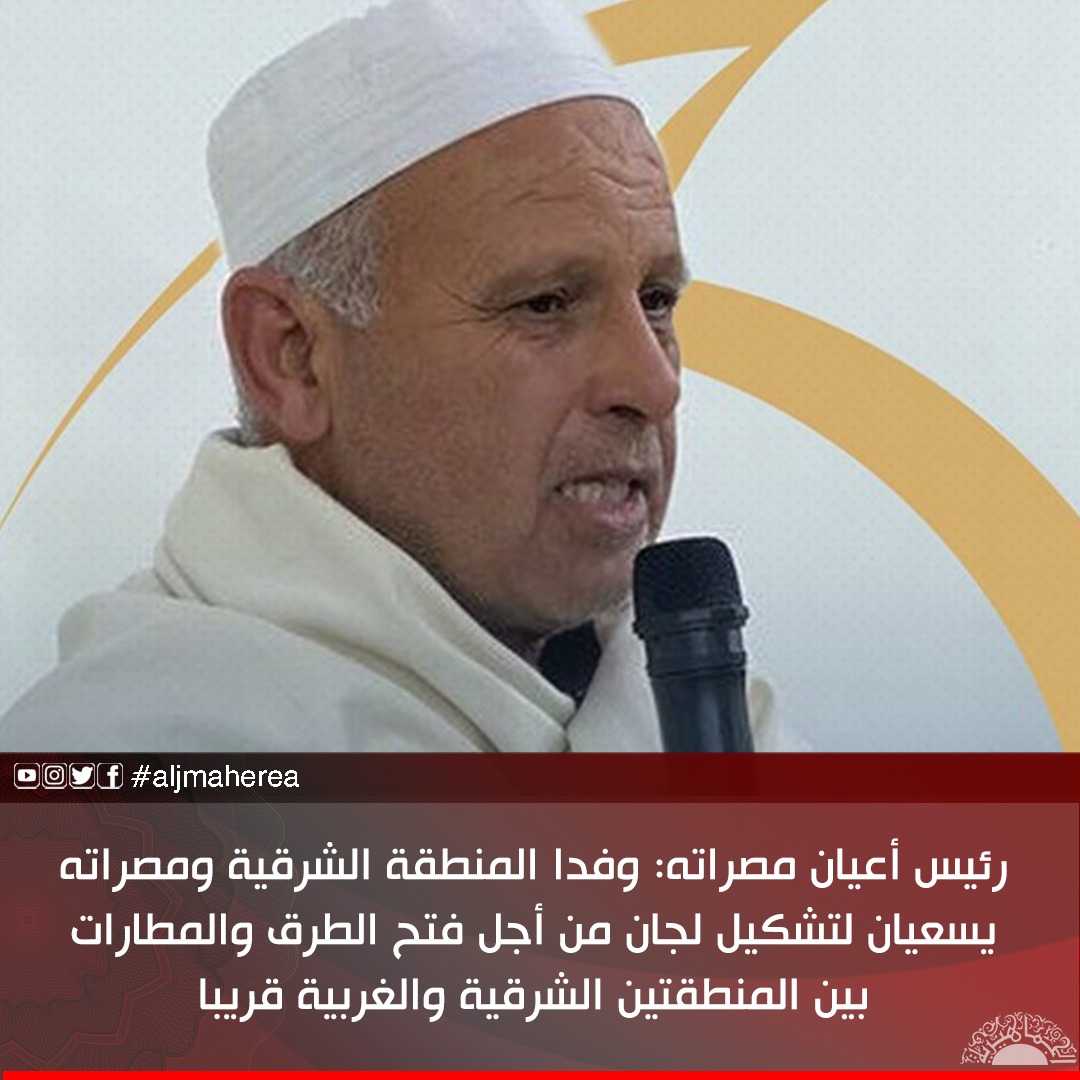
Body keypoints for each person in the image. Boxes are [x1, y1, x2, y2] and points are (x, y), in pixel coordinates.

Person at [1, 0, 779, 751]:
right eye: (544, 304)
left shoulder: (701, 704)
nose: (654, 386)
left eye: (656, 300)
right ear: (291, 356)